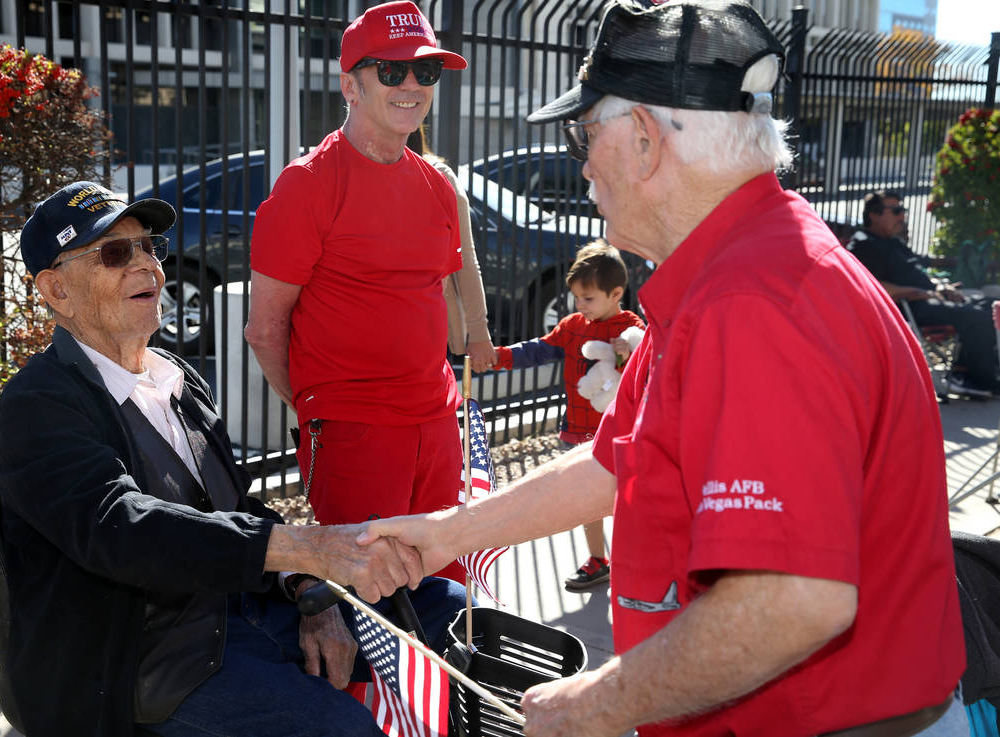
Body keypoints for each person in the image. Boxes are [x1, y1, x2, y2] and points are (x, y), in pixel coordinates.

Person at [361, 2, 967, 735]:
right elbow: (613, 465)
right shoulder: (734, 269)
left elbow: (794, 597)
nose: (581, 163)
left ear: (645, 140)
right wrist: (446, 534)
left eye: (585, 135)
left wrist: (595, 704)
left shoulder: (754, 300)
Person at [0, 181, 465, 737]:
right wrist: (307, 547)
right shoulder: (38, 403)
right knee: (341, 729)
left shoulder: (175, 377)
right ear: (57, 290)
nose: (147, 265)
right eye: (116, 253)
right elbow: (117, 527)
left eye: (150, 246)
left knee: (446, 611)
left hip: (242, 613)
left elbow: (235, 505)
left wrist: (307, 589)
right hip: (147, 660)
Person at [245, 0, 469, 582]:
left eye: (426, 71)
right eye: (391, 71)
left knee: (444, 600)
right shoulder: (308, 186)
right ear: (350, 84)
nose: (411, 85)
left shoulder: (436, 188)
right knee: (366, 612)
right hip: (356, 433)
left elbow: (430, 298)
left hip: (438, 425)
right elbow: (265, 328)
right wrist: (320, 413)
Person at [486, 240, 644, 591]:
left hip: (617, 432)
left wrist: (626, 352)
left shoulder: (631, 327)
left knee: (623, 499)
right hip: (577, 430)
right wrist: (500, 356)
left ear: (616, 292)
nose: (580, 306)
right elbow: (540, 349)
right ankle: (598, 560)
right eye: (576, 298)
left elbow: (645, 368)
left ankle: (632, 559)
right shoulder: (573, 325)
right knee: (587, 503)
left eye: (588, 298)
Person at [848, 189, 1000, 394]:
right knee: (975, 316)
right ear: (873, 215)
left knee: (989, 306)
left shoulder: (894, 242)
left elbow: (919, 271)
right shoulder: (863, 243)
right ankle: (974, 378)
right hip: (909, 307)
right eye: (896, 210)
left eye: (903, 210)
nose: (902, 216)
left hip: (930, 299)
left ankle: (967, 370)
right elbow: (867, 285)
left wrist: (941, 288)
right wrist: (918, 291)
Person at [406, 124, 497, 372]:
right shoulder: (357, 173)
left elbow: (464, 256)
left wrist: (478, 332)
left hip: (426, 324)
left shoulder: (438, 176)